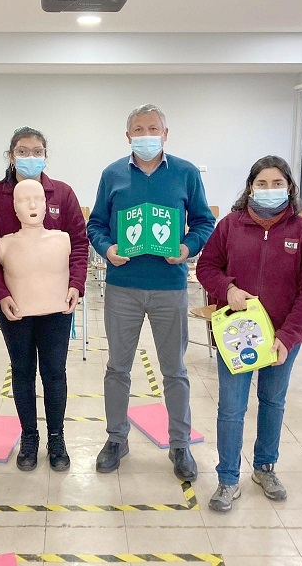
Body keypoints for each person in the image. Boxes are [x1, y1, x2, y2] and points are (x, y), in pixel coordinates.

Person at [87, 104, 215, 481]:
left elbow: (205, 221)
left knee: (174, 370)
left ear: (165, 132)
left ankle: (180, 444)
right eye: (138, 129)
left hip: (169, 287)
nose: (146, 134)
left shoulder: (186, 173)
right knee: (117, 368)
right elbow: (95, 223)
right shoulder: (112, 175)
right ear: (128, 136)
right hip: (122, 287)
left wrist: (188, 247)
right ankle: (116, 439)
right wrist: (108, 248)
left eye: (153, 128)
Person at [196, 155, 302, 511]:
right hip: (236, 334)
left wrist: (288, 337)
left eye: (277, 184)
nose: (269, 190)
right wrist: (228, 289)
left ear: (290, 188)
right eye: (261, 184)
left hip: (283, 336)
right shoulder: (231, 226)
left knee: (272, 402)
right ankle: (227, 479)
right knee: (232, 407)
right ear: (250, 187)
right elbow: (207, 266)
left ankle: (265, 467)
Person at [0, 127, 88, 472]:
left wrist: (76, 284)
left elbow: (80, 245)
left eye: (37, 150)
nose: (30, 157)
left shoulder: (62, 194)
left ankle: (57, 437)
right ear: (11, 156)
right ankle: (29, 436)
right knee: (22, 369)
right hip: (14, 305)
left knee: (54, 371)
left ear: (45, 155)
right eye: (23, 151)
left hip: (57, 304)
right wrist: (0, 293)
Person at [0, 179, 71, 317]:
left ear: (45, 203)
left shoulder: (63, 239)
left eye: (38, 199)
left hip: (59, 310)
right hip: (19, 311)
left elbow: (80, 245)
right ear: (14, 206)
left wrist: (77, 284)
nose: (32, 205)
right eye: (24, 200)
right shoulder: (5, 244)